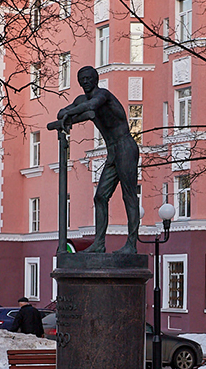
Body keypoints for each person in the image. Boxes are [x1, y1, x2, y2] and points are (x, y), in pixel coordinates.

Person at [51, 66, 141, 254]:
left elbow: (91, 107)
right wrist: (69, 113)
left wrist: (73, 112)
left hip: (125, 146)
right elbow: (62, 113)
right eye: (81, 78)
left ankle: (131, 244)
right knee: (100, 196)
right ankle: (99, 243)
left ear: (96, 79)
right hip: (113, 151)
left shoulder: (103, 95)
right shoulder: (82, 100)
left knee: (129, 195)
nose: (85, 81)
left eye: (88, 78)